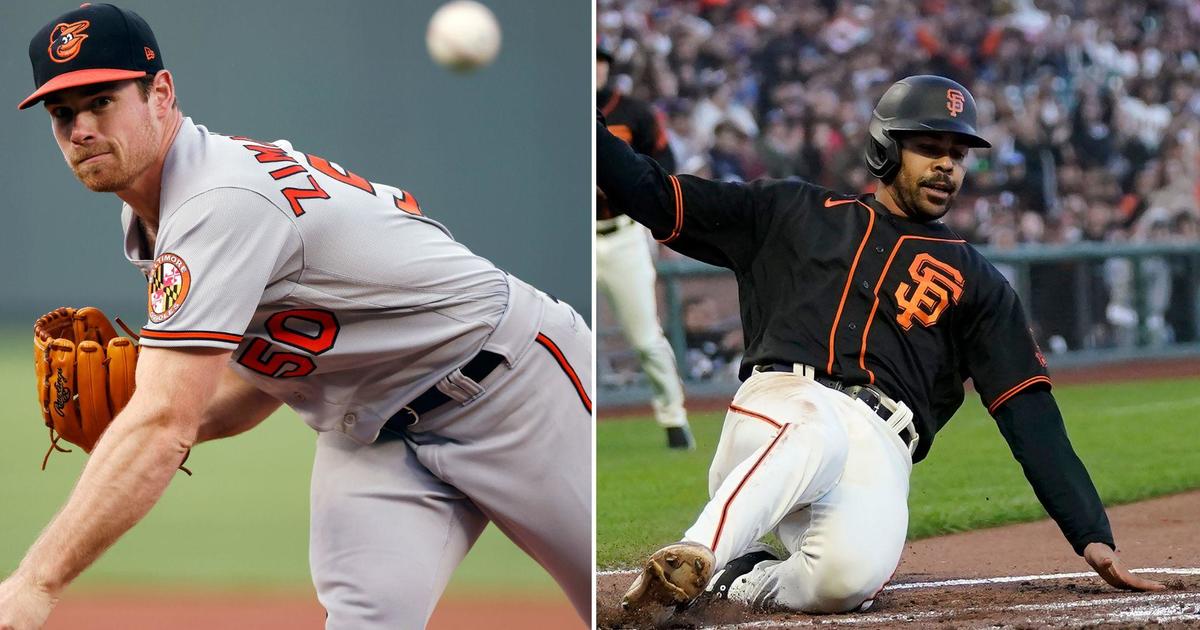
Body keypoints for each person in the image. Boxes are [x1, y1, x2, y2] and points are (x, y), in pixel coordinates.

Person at [1, 5, 592, 629]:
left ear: (161, 93)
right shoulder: (159, 211)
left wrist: (35, 583)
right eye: (62, 113)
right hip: (370, 429)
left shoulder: (216, 202)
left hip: (513, 385)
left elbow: (163, 425)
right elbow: (264, 380)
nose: (80, 128)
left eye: (100, 101)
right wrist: (133, 432)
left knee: (632, 608)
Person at [599, 74, 1165, 622]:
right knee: (814, 426)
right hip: (779, 408)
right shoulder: (790, 211)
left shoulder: (979, 281)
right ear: (884, 150)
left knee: (845, 582)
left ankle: (737, 579)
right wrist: (581, 125)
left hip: (882, 444)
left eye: (959, 153)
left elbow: (1029, 412)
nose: (947, 163)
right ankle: (693, 556)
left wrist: (1092, 534)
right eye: (929, 147)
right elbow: (648, 190)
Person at [596, 45, 695, 449]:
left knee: (644, 338)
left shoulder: (634, 112)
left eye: (598, 61)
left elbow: (664, 166)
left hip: (622, 232)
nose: (593, 68)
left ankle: (674, 420)